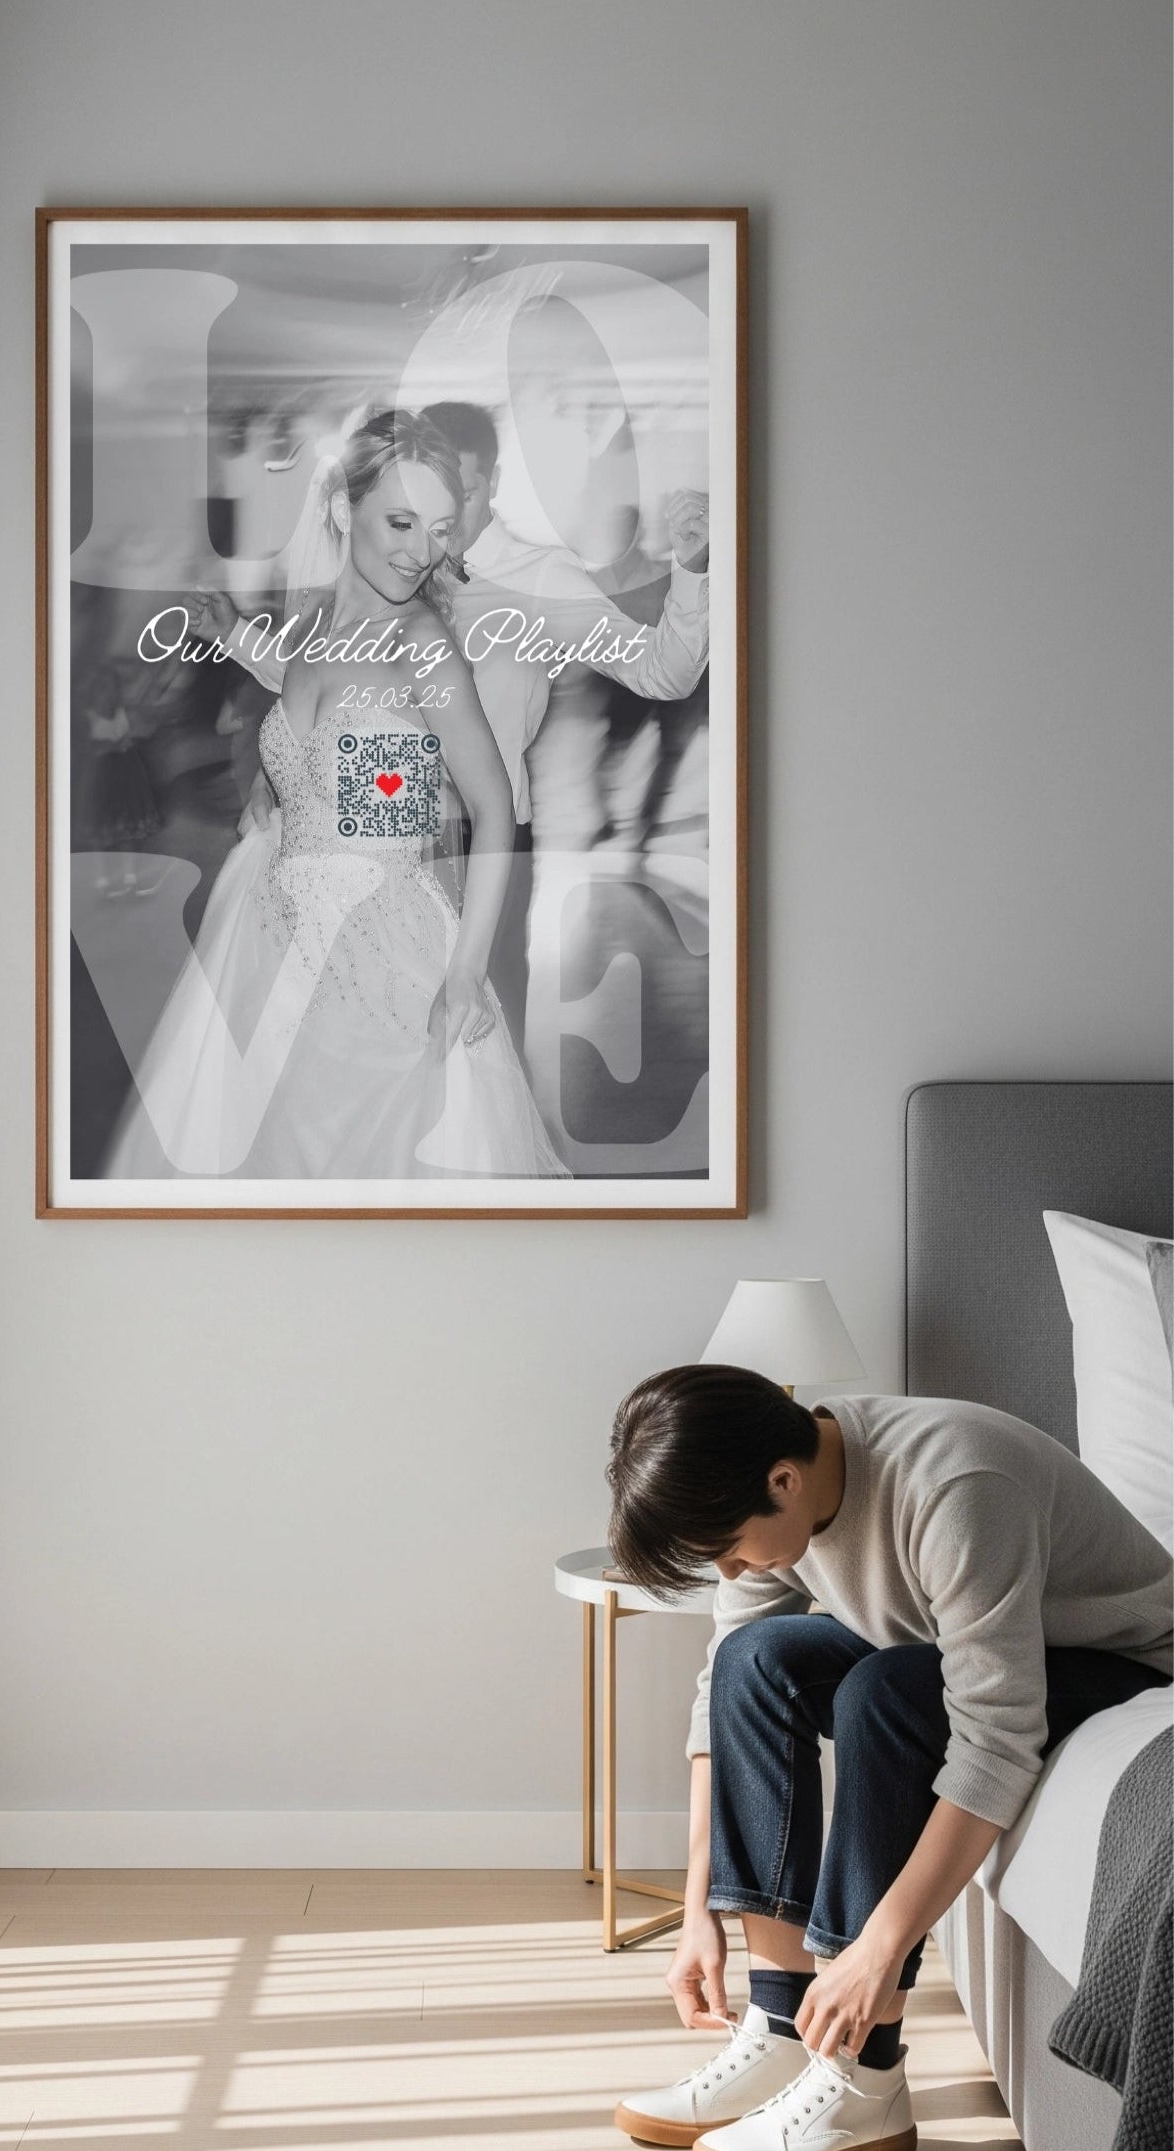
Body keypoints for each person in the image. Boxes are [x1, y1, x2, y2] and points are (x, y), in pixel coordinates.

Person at [604, 1365, 1173, 2151]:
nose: (731, 1572)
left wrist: (879, 1946)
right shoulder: (785, 1503)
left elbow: (997, 1739)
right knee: (753, 1662)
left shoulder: (957, 1485)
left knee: (885, 1690)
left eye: (730, 1549)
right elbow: (722, 1685)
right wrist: (697, 1905)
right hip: (953, 1647)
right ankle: (778, 2027)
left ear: (783, 1478)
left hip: (1121, 1656)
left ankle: (862, 2075)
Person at [106, 410, 569, 1181]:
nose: (422, 552)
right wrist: (273, 773)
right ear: (342, 508)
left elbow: (492, 810)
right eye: (401, 521)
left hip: (384, 956)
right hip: (273, 947)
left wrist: (463, 974)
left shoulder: (425, 647)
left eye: (440, 529)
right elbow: (314, 709)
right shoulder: (321, 624)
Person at [212, 401, 711, 1049]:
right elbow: (328, 689)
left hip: (484, 842)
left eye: (461, 497)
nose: (434, 533)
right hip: (376, 848)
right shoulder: (391, 572)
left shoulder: (540, 581)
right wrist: (236, 646)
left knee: (478, 1049)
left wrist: (694, 572)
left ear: (493, 485)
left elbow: (662, 673)